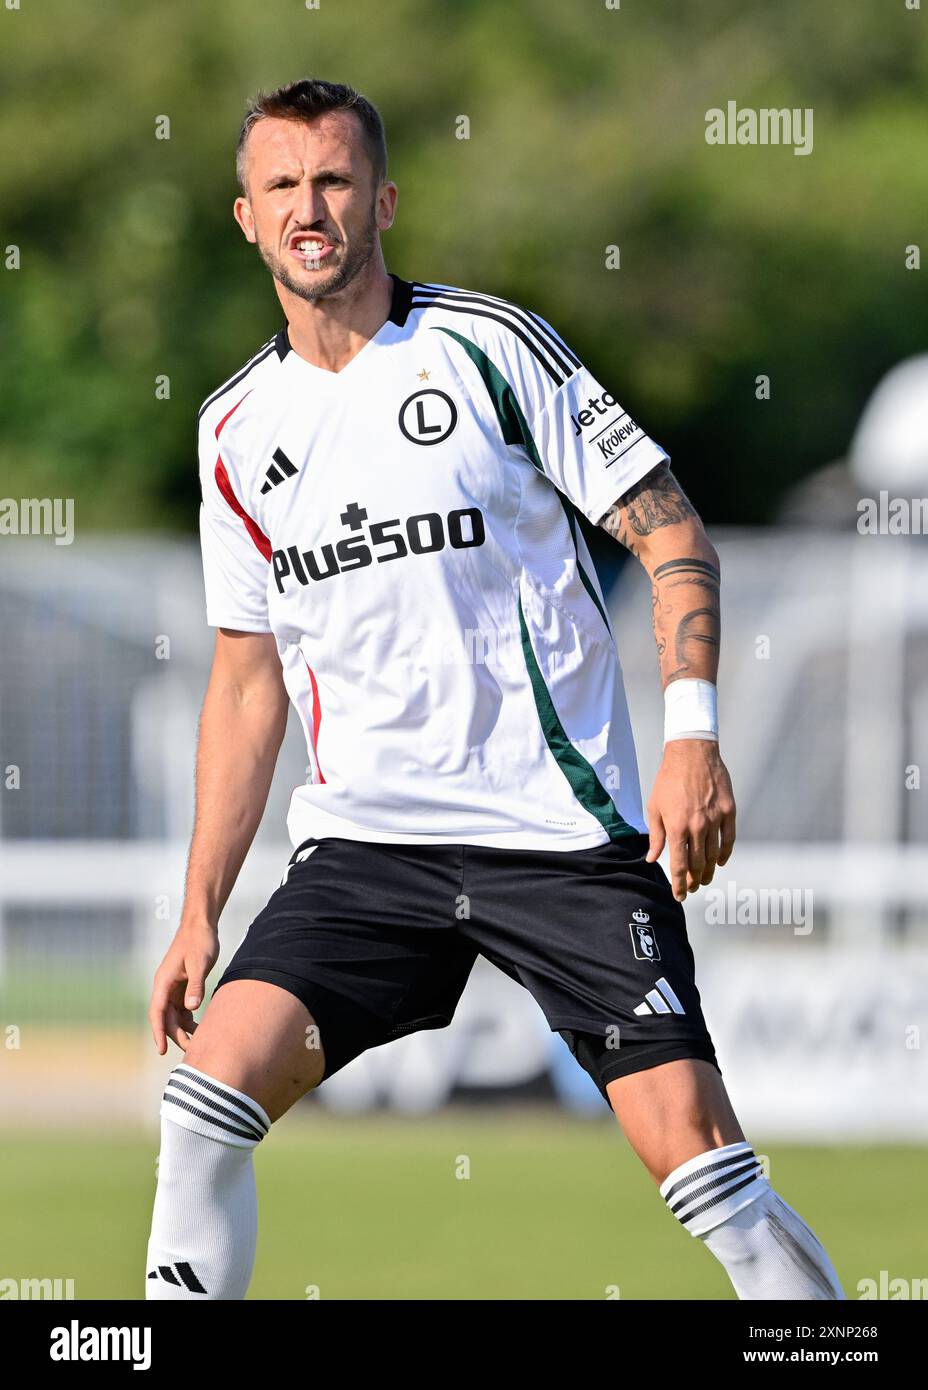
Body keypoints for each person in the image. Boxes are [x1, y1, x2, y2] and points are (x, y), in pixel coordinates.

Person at [145, 77, 844, 1302]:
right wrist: (199, 908)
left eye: (334, 180)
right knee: (204, 1100)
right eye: (281, 188)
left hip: (557, 837)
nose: (310, 210)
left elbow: (671, 531)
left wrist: (691, 736)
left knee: (700, 1168)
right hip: (368, 848)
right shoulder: (231, 430)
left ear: (382, 200)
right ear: (243, 218)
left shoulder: (489, 348)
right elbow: (246, 684)